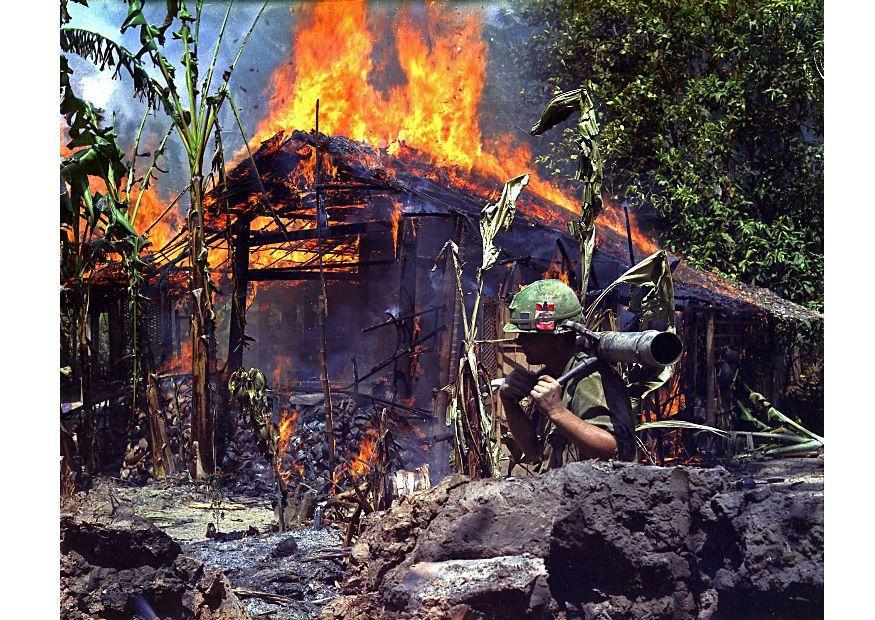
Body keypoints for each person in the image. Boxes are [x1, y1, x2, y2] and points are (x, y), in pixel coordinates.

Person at [499, 279, 637, 470]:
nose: (520, 341)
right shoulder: (554, 375)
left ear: (559, 338)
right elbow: (534, 451)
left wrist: (557, 412)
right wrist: (509, 402)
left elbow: (614, 449)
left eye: (529, 335)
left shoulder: (589, 378)